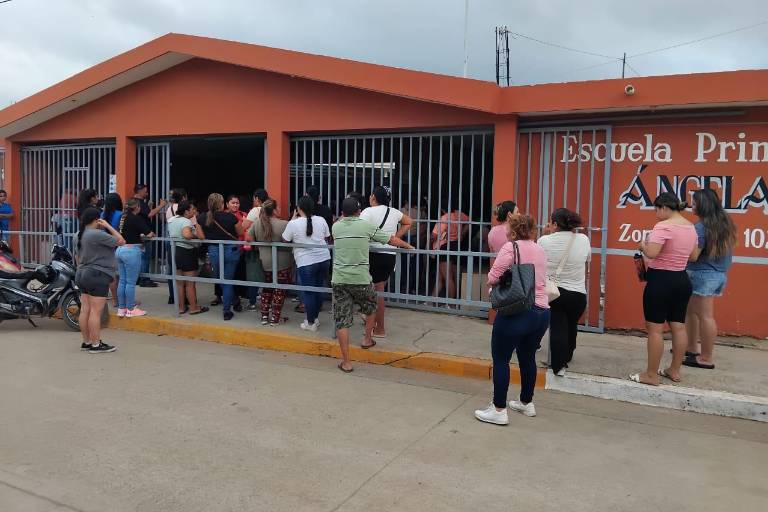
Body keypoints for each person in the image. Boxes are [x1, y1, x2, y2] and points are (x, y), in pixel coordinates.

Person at [474, 215, 550, 425]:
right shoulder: (540, 249)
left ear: (514, 232)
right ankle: (527, 402)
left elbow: (492, 277)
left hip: (518, 311)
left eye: (508, 229)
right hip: (542, 312)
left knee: (501, 359)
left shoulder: (511, 247)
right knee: (527, 357)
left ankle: (499, 409)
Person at [332, 197, 413, 373]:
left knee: (342, 321)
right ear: (358, 211)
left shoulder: (335, 227)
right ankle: (367, 339)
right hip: (361, 278)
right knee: (371, 307)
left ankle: (346, 362)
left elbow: (341, 222)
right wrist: (409, 246)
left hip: (339, 279)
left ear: (343, 213)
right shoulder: (364, 226)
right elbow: (391, 240)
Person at [630, 192, 698, 386]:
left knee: (655, 330)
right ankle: (674, 370)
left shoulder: (663, 226)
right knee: (678, 326)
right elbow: (693, 256)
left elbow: (652, 252)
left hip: (660, 280)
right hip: (681, 279)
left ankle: (651, 375)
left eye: (657, 209)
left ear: (665, 208)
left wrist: (642, 245)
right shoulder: (690, 227)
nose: (656, 214)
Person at [684, 188, 737, 370]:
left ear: (702, 205)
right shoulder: (725, 223)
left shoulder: (700, 227)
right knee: (691, 312)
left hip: (702, 275)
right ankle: (691, 348)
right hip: (717, 275)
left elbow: (693, 256)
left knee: (705, 316)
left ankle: (706, 358)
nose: (691, 205)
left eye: (694, 202)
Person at [538, 208, 591, 377]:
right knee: (571, 324)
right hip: (578, 293)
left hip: (556, 292)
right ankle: (567, 355)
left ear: (554, 224)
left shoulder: (544, 241)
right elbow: (587, 262)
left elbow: (538, 261)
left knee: (558, 326)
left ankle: (558, 365)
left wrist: (545, 233)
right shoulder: (583, 239)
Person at [360, 186, 412, 337]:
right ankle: (372, 320)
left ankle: (379, 328)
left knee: (375, 291)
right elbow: (409, 222)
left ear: (374, 197)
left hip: (373, 254)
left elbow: (361, 229)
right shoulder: (394, 211)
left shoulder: (368, 211)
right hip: (389, 255)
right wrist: (395, 237)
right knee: (378, 289)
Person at [75, 207, 125, 353]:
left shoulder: (78, 234)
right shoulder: (97, 234)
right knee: (96, 312)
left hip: (81, 273)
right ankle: (96, 345)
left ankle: (87, 342)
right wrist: (108, 226)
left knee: (85, 310)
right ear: (97, 220)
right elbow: (121, 241)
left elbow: (77, 257)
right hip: (97, 274)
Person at [283, 195, 331, 332]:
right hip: (323, 259)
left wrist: (292, 219)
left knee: (309, 293)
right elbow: (327, 237)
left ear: (298, 209)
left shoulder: (294, 223)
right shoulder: (321, 220)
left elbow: (285, 239)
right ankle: (314, 318)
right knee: (318, 289)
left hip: (306, 262)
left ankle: (310, 323)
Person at [196, 193, 242, 321]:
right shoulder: (231, 217)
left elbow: (201, 237)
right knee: (227, 281)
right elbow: (240, 233)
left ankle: (232, 302)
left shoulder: (202, 217)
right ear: (222, 204)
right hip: (231, 251)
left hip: (214, 251)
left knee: (220, 280)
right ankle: (228, 309)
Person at [247, 199, 293, 325]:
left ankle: (264, 317)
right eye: (277, 208)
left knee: (267, 289)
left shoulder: (257, 223)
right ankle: (275, 319)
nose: (279, 210)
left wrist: (259, 244)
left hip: (265, 262)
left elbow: (248, 238)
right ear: (273, 210)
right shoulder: (284, 224)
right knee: (279, 290)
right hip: (283, 262)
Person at [115, 199, 156, 318]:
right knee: (130, 283)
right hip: (131, 251)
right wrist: (149, 234)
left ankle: (121, 308)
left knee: (122, 281)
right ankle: (131, 308)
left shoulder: (123, 217)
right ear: (137, 207)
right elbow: (149, 234)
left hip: (120, 249)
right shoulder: (135, 218)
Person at [167, 200, 209, 316]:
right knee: (190, 283)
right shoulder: (186, 221)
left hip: (174, 252)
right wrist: (194, 233)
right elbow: (187, 235)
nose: (195, 211)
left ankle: (181, 307)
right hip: (186, 252)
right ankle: (194, 308)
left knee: (180, 283)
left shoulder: (172, 220)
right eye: (193, 209)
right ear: (186, 211)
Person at [431, 202, 470, 302]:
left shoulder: (444, 218)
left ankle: (451, 303)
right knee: (441, 278)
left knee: (448, 278)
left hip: (444, 247)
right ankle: (430, 301)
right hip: (455, 246)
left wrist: (429, 242)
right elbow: (469, 221)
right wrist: (461, 234)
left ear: (442, 209)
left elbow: (434, 235)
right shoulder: (458, 215)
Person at [133, 184, 166, 288]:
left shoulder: (134, 201)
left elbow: (144, 214)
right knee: (145, 257)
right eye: (145, 191)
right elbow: (149, 214)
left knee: (139, 257)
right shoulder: (139, 203)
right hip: (143, 235)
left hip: (137, 234)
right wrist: (161, 205)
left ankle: (139, 278)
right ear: (139, 191)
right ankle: (145, 279)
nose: (147, 193)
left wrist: (150, 207)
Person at [165, 188, 187, 304]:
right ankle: (184, 297)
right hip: (183, 242)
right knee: (184, 270)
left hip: (170, 241)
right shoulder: (186, 209)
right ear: (183, 197)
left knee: (171, 269)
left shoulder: (169, 209)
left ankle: (173, 296)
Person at [101, 193, 124, 307]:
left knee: (112, 276)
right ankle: (121, 300)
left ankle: (115, 300)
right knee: (121, 275)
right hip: (118, 245)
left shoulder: (102, 214)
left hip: (105, 247)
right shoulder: (121, 214)